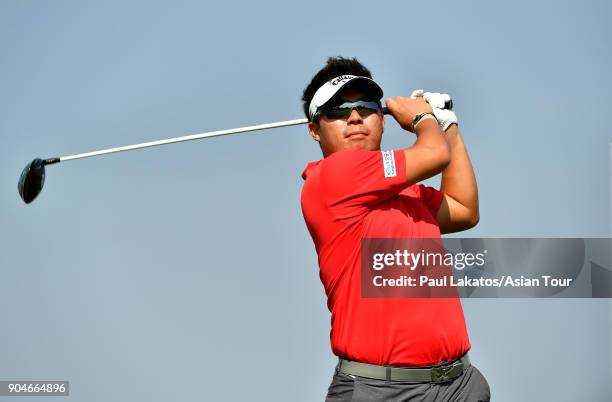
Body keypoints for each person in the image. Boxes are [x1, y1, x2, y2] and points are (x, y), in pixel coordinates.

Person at [300, 56, 490, 401]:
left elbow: (463, 210)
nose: (354, 117)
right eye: (337, 110)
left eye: (366, 107)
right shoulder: (333, 176)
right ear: (315, 129)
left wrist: (448, 126)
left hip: (458, 385)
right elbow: (433, 154)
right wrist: (423, 118)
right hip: (380, 391)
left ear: (382, 121)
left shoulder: (404, 190)